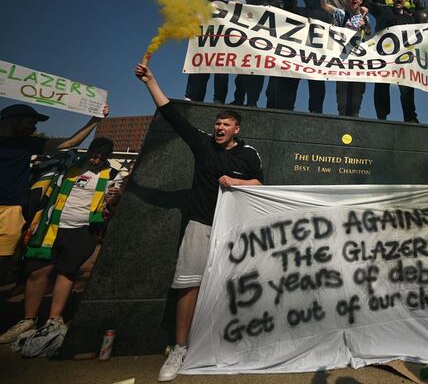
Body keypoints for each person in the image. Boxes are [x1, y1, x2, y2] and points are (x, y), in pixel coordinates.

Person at [134, 63, 263, 382]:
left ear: (237, 130)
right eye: (217, 122)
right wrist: (151, 81)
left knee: (231, 288)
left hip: (234, 232)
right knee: (188, 286)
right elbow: (172, 115)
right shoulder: (203, 144)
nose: (219, 127)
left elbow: (262, 185)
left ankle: (219, 341)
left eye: (226, 124)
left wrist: (237, 182)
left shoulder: (249, 155)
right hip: (200, 226)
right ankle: (180, 347)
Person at [0, 138, 122, 350]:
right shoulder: (70, 165)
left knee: (67, 272)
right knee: (38, 271)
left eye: (101, 157)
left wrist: (115, 197)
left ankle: (53, 319)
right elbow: (59, 153)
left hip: (82, 228)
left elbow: (110, 205)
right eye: (93, 155)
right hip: (51, 224)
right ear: (89, 151)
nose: (95, 160)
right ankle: (28, 319)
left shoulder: (112, 175)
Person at [1, 103, 109, 284]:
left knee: (5, 260)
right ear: (11, 120)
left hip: (11, 210)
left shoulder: (29, 143)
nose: (34, 128)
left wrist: (96, 119)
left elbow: (71, 142)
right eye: (30, 123)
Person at [239, 0, 316, 111]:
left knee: (281, 68)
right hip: (260, 21)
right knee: (254, 64)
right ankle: (249, 103)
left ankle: (277, 107)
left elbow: (314, 0)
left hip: (285, 27)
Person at [185, 0, 247, 104]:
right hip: (206, 32)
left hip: (225, 36)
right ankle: (192, 97)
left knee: (221, 70)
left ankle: (219, 101)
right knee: (200, 64)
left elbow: (241, 5)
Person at [365, 0, 418, 122]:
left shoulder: (409, 19)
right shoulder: (383, 11)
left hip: (403, 60)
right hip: (384, 58)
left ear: (405, 0)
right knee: (382, 87)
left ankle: (410, 117)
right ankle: (382, 116)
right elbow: (368, 3)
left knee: (407, 88)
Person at [321, 0, 371, 117]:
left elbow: (368, 33)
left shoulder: (365, 17)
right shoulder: (341, 14)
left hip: (359, 61)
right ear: (348, 0)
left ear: (361, 1)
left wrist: (364, 25)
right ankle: (342, 117)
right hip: (342, 61)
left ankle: (355, 117)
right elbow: (324, 5)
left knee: (357, 93)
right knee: (342, 93)